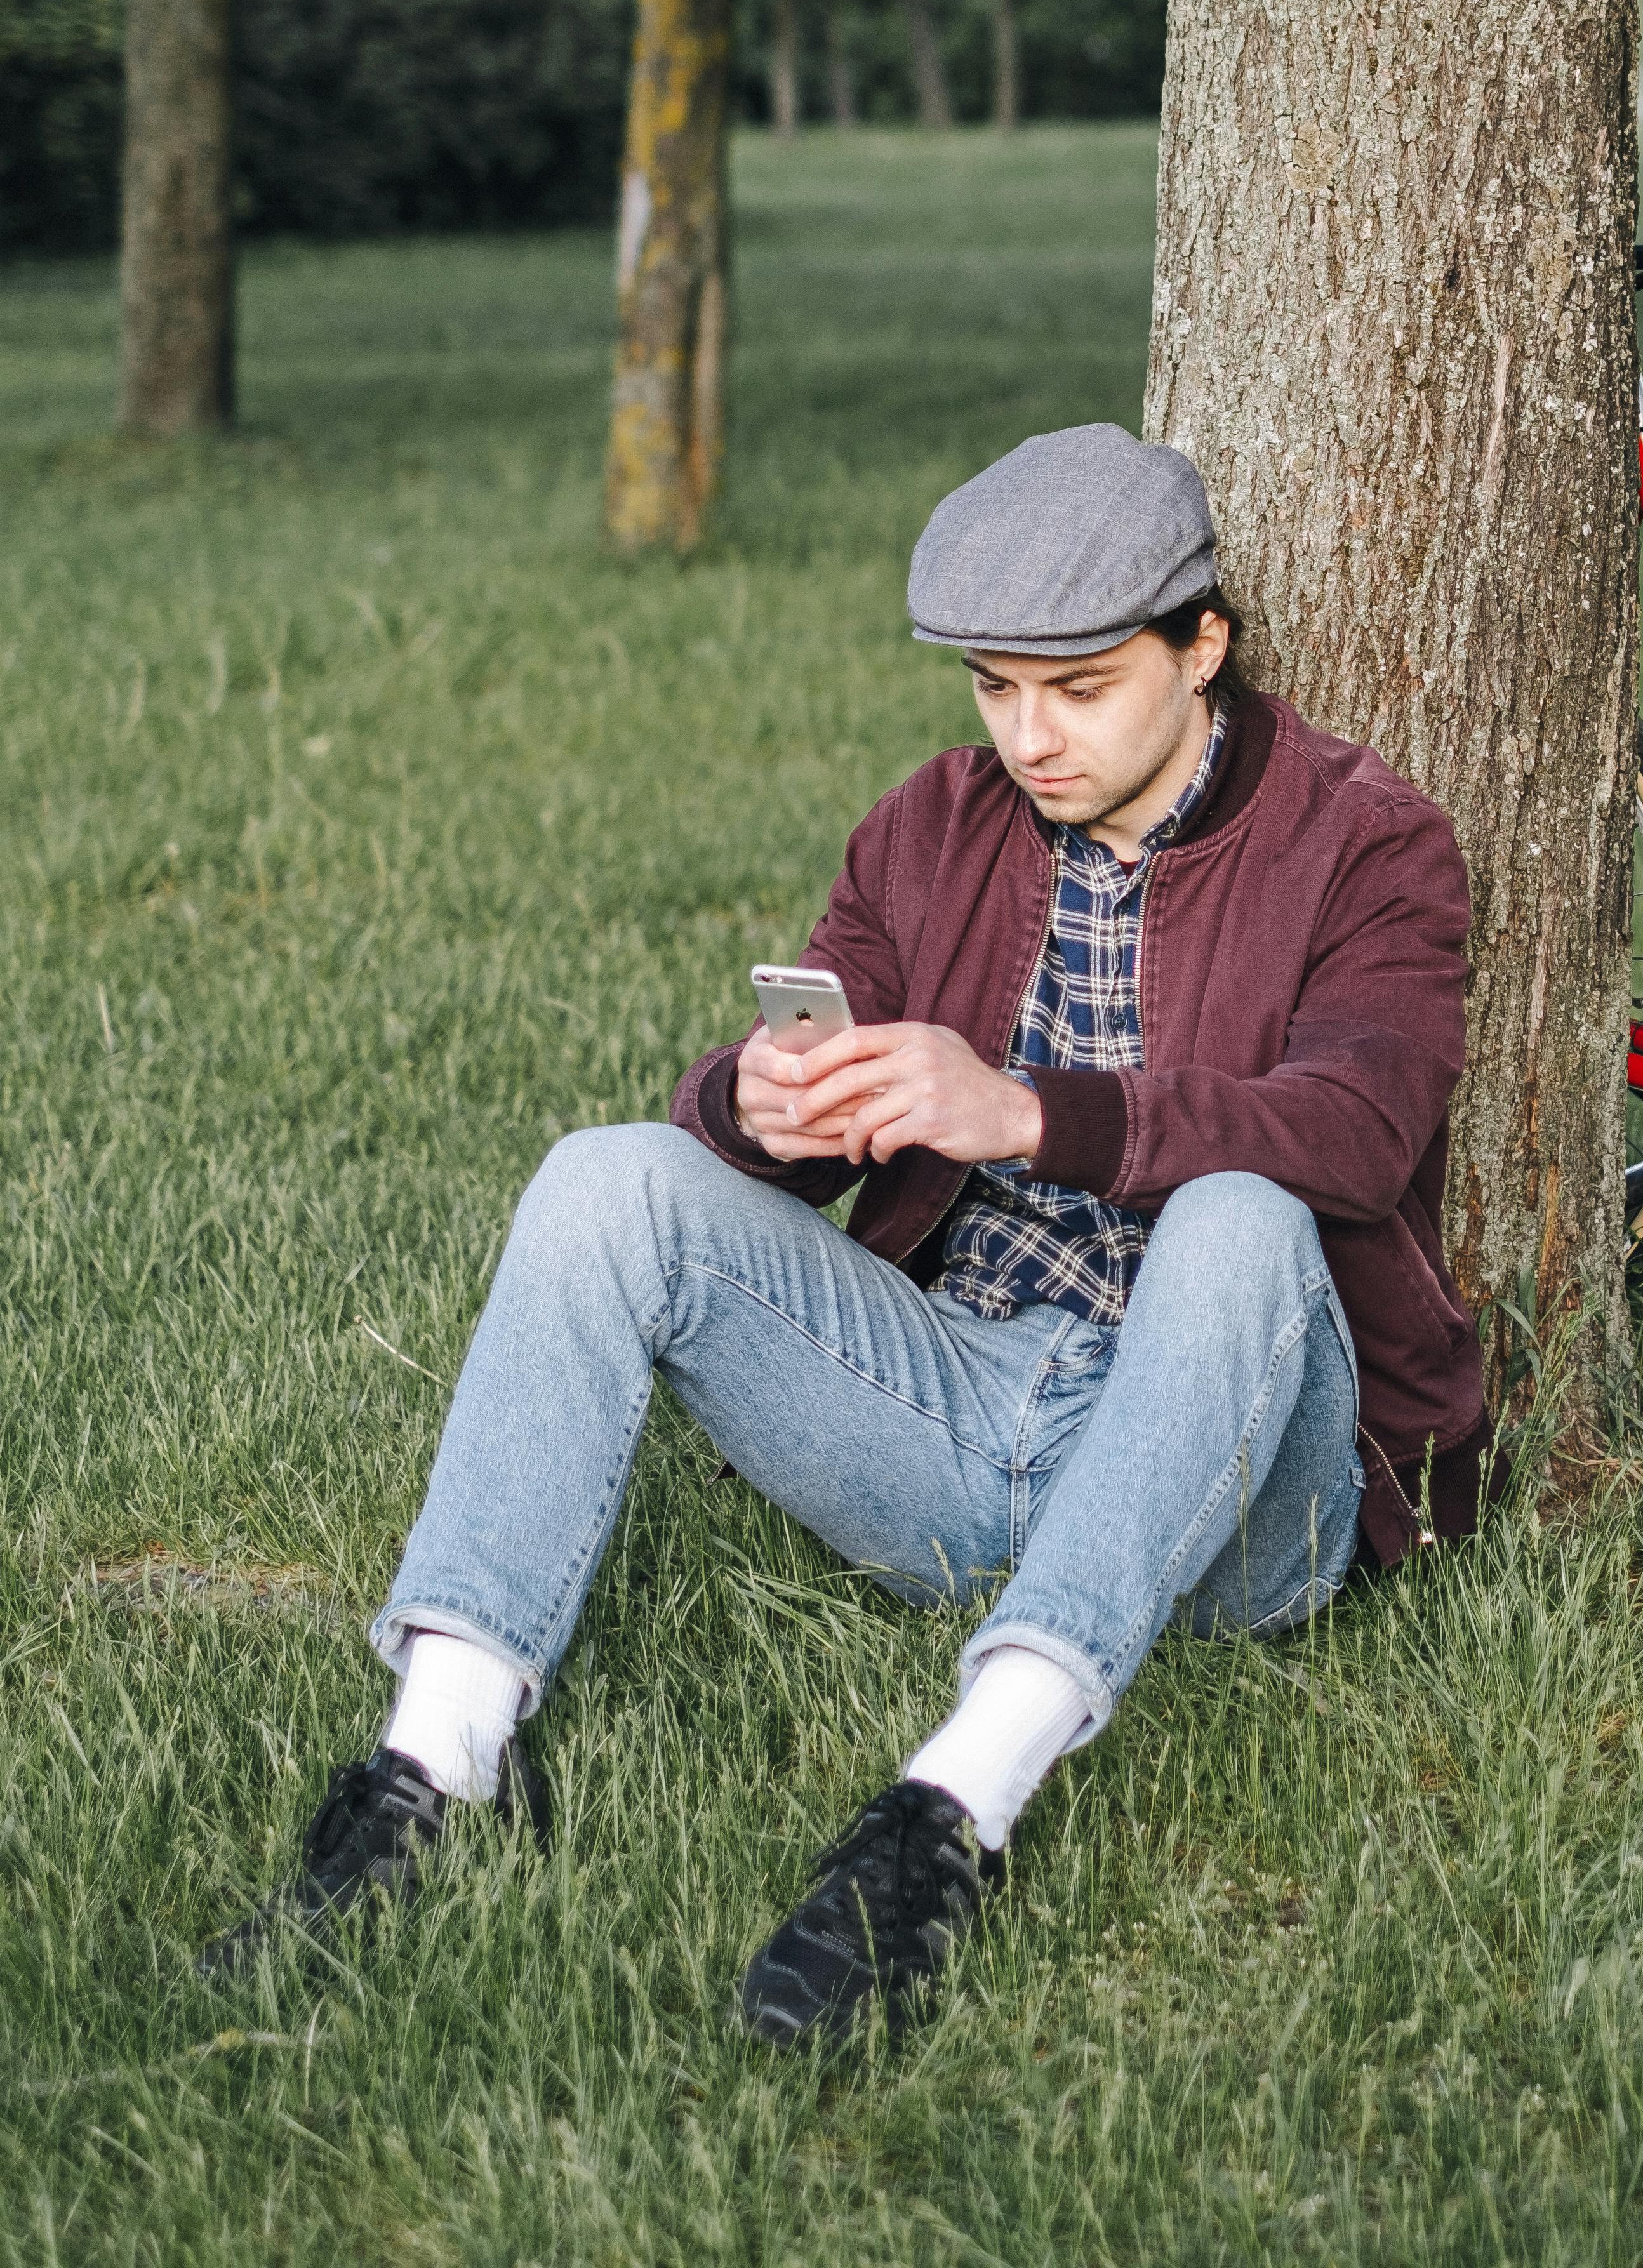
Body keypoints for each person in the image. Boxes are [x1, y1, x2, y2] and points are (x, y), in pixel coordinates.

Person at [201, 423, 1491, 2046]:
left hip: (1231, 1476)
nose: (1030, 735)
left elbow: (1360, 1137)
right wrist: (763, 1105)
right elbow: (777, 1123)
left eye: (1079, 688)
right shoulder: (929, 829)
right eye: (993, 688)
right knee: (608, 1176)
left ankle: (950, 1811)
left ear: (1202, 648)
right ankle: (437, 1763)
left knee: (1241, 1215)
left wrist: (1028, 1108)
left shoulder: (1367, 839)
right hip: (955, 1415)